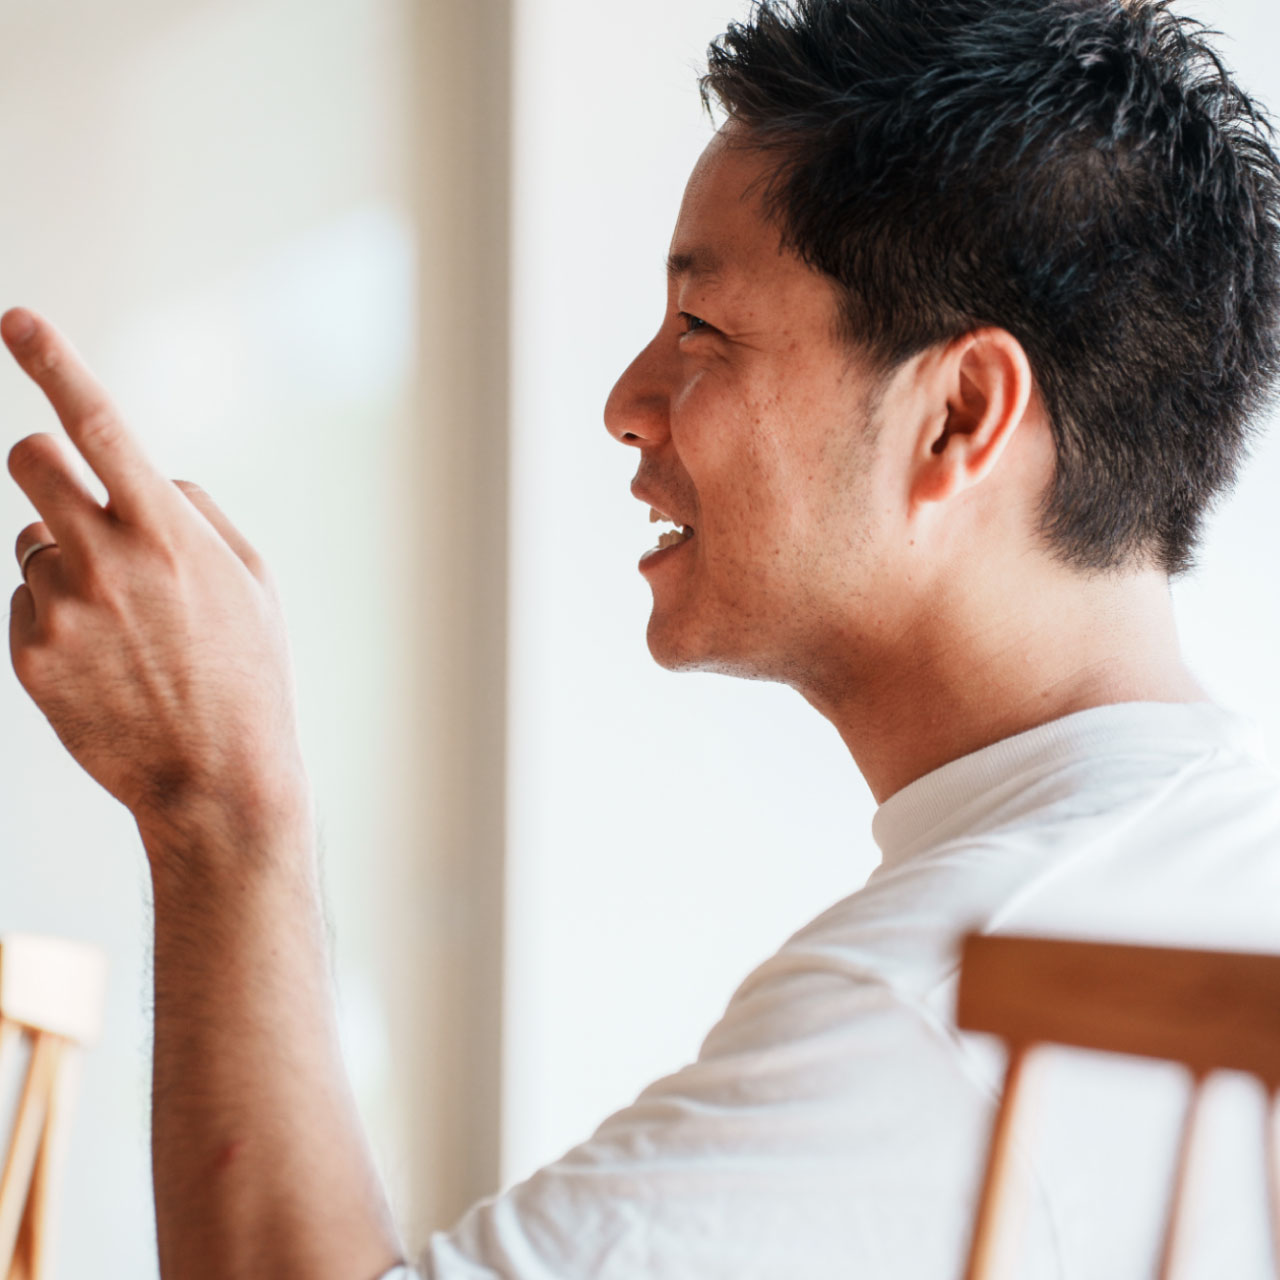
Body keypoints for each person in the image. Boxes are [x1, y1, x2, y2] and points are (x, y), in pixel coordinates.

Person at [6, 0, 1280, 1275]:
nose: (625, 401)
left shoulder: (957, 1010)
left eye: (700, 329)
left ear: (956, 416)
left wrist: (219, 798)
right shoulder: (1208, 872)